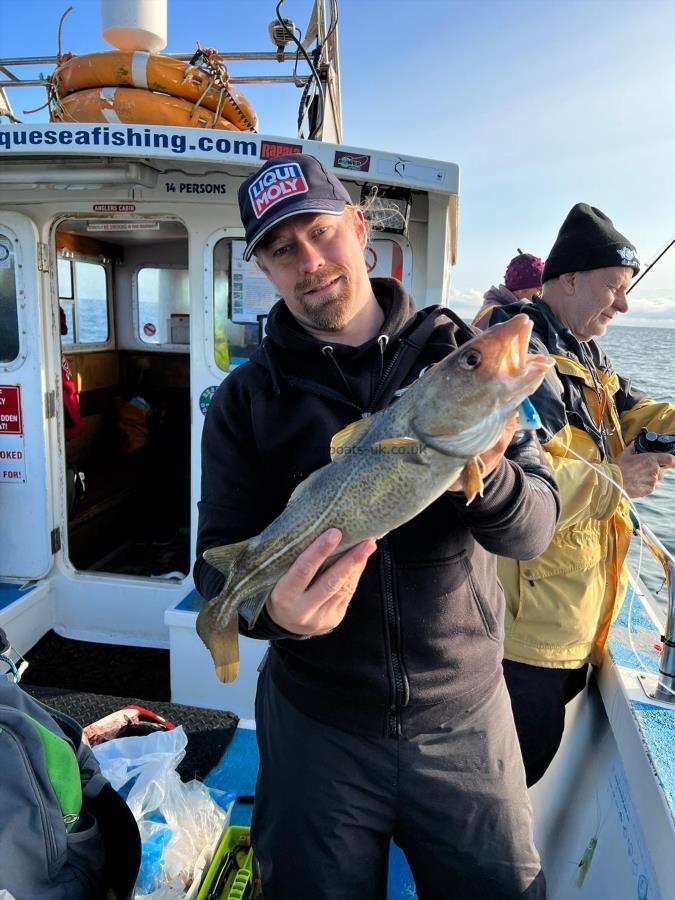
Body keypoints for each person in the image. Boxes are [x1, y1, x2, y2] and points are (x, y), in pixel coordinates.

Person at [195, 154, 561, 899]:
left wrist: (484, 477)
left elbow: (536, 530)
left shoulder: (452, 358)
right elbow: (214, 564)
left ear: (359, 231)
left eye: (322, 233)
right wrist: (274, 615)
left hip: (465, 718)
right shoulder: (244, 400)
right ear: (262, 266)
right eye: (281, 248)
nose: (309, 261)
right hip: (315, 721)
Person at [484, 204, 675, 786]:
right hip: (523, 639)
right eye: (614, 288)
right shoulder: (523, 357)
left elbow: (631, 409)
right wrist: (617, 476)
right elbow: (515, 485)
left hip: (570, 627)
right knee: (504, 790)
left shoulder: (587, 354)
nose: (623, 304)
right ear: (569, 279)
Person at [473, 250, 544, 329]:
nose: (541, 297)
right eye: (540, 290)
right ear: (521, 289)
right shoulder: (499, 316)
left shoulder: (495, 309)